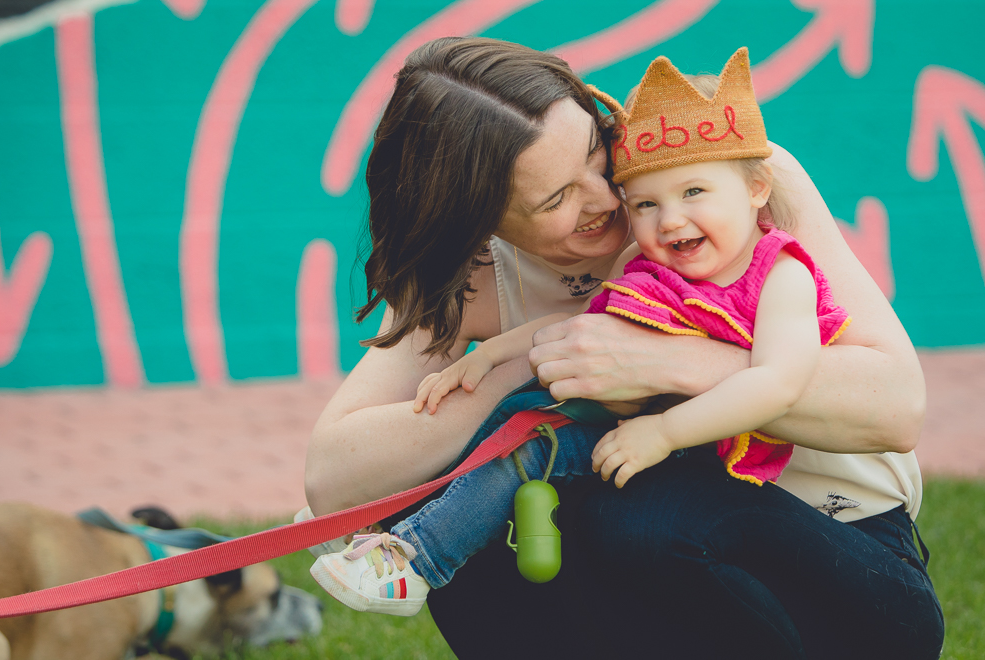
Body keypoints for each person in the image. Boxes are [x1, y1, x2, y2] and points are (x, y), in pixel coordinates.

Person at [303, 36, 943, 658]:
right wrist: (527, 368)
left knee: (643, 514)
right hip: (654, 566)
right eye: (557, 198)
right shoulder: (470, 272)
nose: (609, 198)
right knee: (460, 476)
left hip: (838, 560)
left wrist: (662, 361)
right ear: (481, 221)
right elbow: (336, 479)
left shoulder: (717, 168)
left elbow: (895, 407)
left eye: (597, 151)